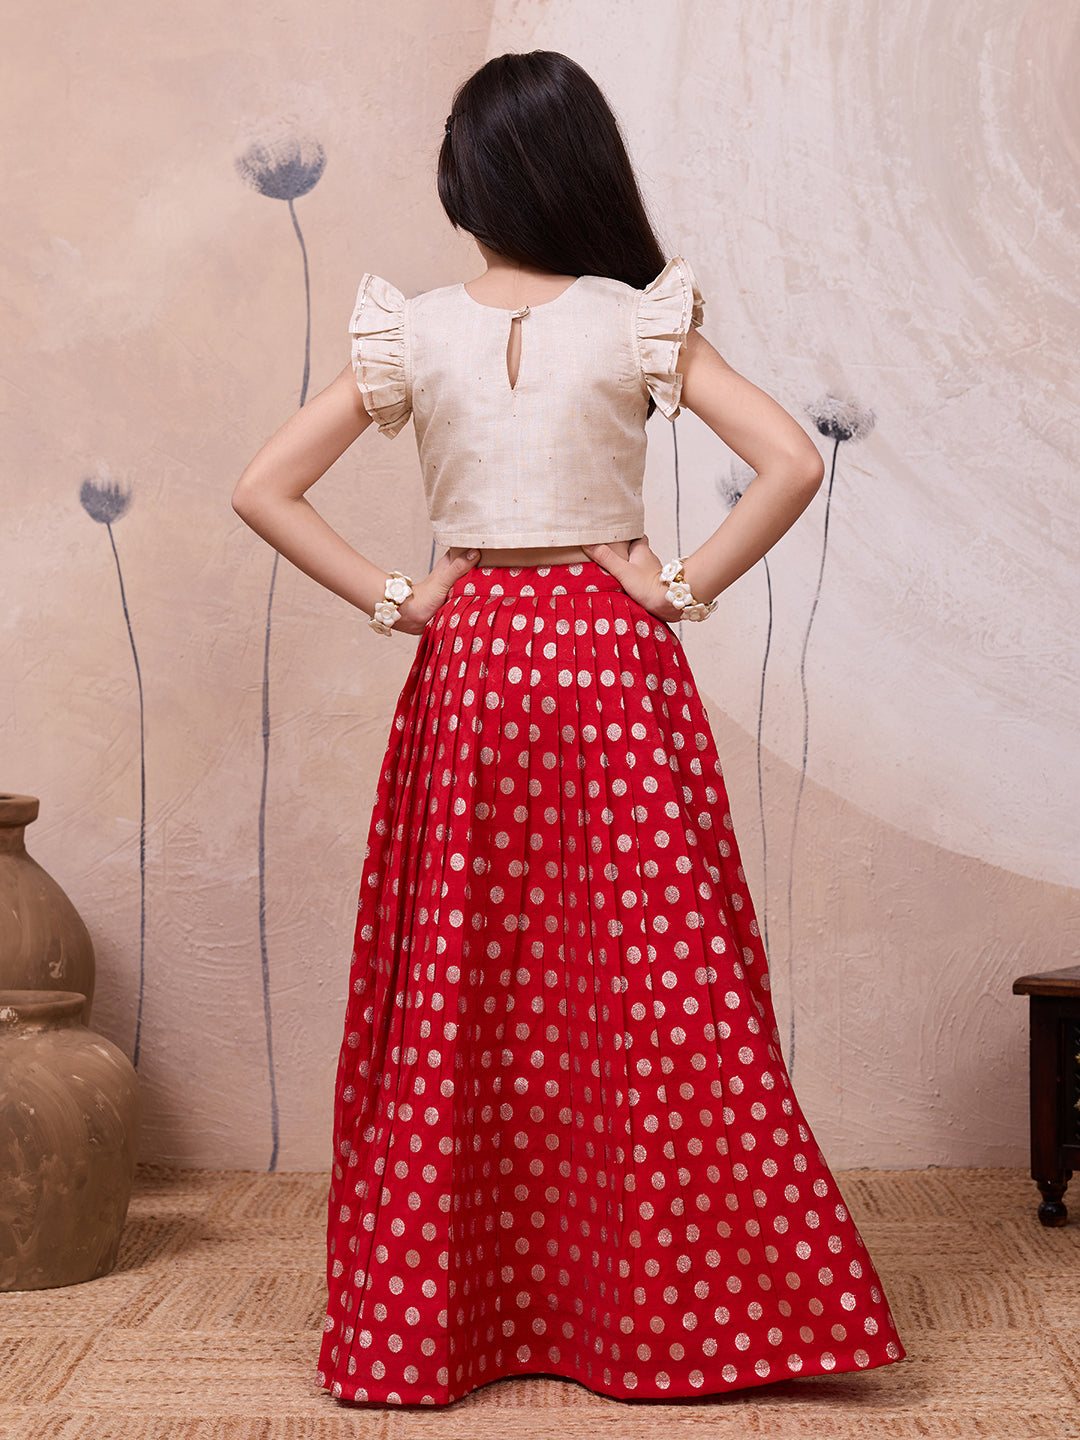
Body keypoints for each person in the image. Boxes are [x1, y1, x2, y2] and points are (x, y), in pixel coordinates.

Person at [232, 49, 904, 1409]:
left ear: (469, 183)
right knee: (654, 980)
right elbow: (792, 461)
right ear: (584, 172)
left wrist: (402, 600)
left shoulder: (414, 330)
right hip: (609, 660)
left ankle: (445, 1320)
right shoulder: (637, 321)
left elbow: (262, 488)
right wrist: (677, 585)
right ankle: (691, 1318)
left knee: (464, 979)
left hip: (476, 663)